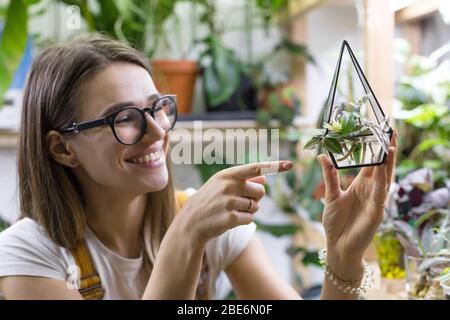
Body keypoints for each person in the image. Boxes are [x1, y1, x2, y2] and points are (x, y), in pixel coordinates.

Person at [0, 36, 397, 300]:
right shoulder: (29, 254)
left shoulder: (209, 223)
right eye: (124, 118)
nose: (156, 131)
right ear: (62, 148)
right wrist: (186, 234)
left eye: (158, 108)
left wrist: (343, 257)